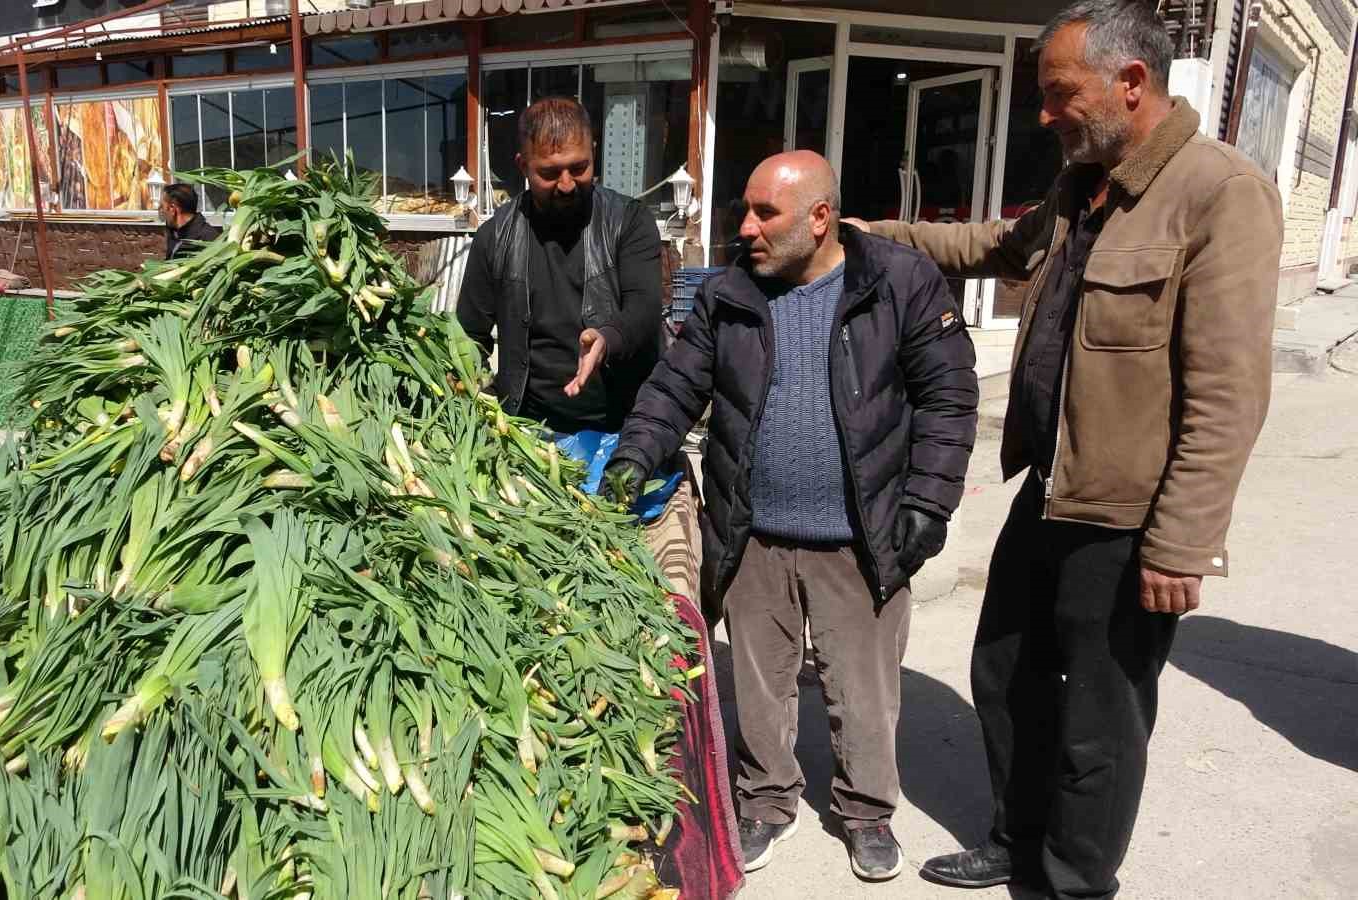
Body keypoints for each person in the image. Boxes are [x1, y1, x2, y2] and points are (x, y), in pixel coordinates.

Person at [845, 2, 1282, 896]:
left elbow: (1229, 391)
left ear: (1132, 84)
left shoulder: (1218, 191)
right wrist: (861, 235)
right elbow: (991, 247)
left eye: (1057, 93)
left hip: (1128, 515)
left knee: (1099, 716)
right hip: (1048, 486)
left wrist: (1181, 542)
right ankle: (1018, 838)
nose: (1043, 114)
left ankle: (1076, 881)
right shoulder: (1085, 181)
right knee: (1005, 673)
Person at [603, 150, 979, 880]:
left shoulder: (898, 283)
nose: (745, 227)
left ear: (819, 217)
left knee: (863, 693)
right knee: (760, 683)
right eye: (745, 209)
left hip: (860, 538)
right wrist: (632, 458)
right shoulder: (728, 295)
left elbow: (948, 399)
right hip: (753, 536)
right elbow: (672, 389)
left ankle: (866, 811)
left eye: (763, 213)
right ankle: (767, 801)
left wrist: (928, 504)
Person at [455, 97, 702, 599]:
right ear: (522, 166)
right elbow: (466, 338)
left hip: (621, 431)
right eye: (550, 173)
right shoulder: (495, 237)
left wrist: (606, 339)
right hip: (530, 441)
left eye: (579, 167)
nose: (567, 184)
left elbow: (641, 310)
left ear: (594, 155)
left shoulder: (628, 222)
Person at [160, 183, 222, 259]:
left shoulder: (209, 240)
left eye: (162, 207)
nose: (161, 211)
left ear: (172, 209)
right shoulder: (174, 232)